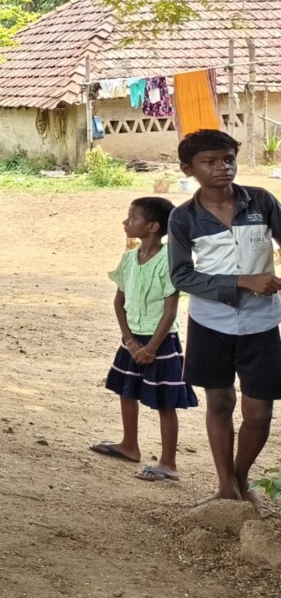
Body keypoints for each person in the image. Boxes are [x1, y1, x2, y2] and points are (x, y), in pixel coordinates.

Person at [167, 128, 281, 505]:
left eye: (228, 159)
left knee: (259, 412)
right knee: (219, 403)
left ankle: (241, 477)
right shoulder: (183, 218)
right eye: (210, 161)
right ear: (188, 169)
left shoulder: (261, 202)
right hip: (210, 323)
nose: (222, 167)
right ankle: (225, 486)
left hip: (262, 323)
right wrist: (242, 281)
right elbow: (182, 276)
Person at [90, 196, 197, 482]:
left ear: (152, 226)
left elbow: (170, 311)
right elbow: (119, 302)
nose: (125, 222)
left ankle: (168, 462)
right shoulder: (128, 259)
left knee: (165, 401)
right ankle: (129, 445)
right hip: (133, 338)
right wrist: (129, 341)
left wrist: (150, 348)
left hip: (160, 341)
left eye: (132, 218)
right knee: (127, 391)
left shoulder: (169, 260)